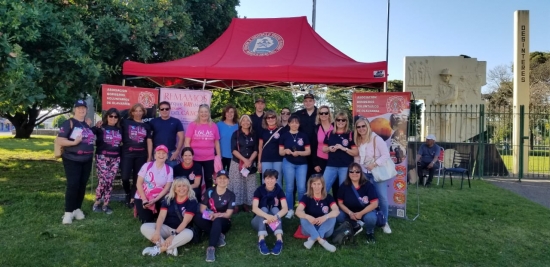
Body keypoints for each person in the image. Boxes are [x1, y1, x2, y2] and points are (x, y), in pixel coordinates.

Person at [57, 100, 96, 224]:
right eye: (79, 108)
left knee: (82, 185)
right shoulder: (68, 123)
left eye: (83, 108)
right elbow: (60, 140)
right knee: (73, 184)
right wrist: (74, 143)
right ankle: (68, 213)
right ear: (74, 109)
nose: (81, 110)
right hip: (72, 159)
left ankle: (77, 208)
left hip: (87, 159)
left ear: (86, 110)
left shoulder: (87, 124)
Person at [140, 178, 198, 257]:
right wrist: (157, 231)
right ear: (174, 189)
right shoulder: (168, 199)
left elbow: (185, 222)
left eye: (184, 186)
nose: (181, 188)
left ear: (188, 187)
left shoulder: (192, 201)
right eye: (179, 186)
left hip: (181, 230)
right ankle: (170, 248)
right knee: (144, 227)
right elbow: (161, 216)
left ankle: (159, 249)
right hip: (166, 227)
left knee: (189, 234)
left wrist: (173, 235)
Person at [354, 117, 392, 234]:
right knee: (365, 198)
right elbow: (358, 157)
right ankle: (365, 219)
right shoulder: (358, 140)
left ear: (368, 126)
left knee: (382, 198)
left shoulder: (376, 139)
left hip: (377, 173)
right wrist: (357, 170)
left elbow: (386, 155)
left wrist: (374, 164)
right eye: (358, 127)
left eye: (363, 126)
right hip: (364, 174)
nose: (361, 129)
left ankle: (384, 221)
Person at [193, 170, 235, 263]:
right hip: (210, 217)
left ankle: (211, 248)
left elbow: (228, 214)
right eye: (220, 178)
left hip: (223, 220)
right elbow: (202, 209)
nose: (222, 180)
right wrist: (209, 215)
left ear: (228, 180)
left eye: (225, 178)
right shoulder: (210, 191)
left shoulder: (231, 195)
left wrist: (216, 215)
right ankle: (218, 235)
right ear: (216, 180)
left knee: (218, 221)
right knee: (197, 217)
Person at [337, 163, 379, 244]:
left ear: (361, 173)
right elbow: (340, 203)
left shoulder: (368, 185)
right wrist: (350, 213)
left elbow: (375, 204)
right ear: (348, 173)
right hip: (350, 212)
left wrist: (360, 213)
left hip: (365, 212)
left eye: (357, 172)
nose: (354, 174)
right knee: (338, 214)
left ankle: (370, 233)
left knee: (371, 218)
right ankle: (353, 225)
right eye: (351, 172)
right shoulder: (344, 185)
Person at [295, 175, 339, 252]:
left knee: (332, 216)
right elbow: (297, 211)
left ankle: (313, 239)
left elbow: (336, 211)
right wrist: (308, 216)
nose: (316, 186)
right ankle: (322, 241)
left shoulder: (328, 197)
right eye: (314, 184)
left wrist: (325, 217)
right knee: (303, 217)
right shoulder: (306, 197)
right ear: (311, 185)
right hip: (309, 229)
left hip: (325, 229)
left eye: (319, 184)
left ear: (322, 185)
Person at [120, 103, 153, 208]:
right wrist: (100, 122)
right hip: (127, 154)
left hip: (141, 155)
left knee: (137, 178)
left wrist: (149, 156)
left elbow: (149, 141)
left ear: (143, 112)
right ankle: (127, 192)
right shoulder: (125, 122)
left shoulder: (147, 126)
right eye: (136, 110)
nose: (138, 113)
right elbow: (112, 123)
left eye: (140, 110)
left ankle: (133, 198)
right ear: (132, 112)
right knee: (125, 177)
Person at [90, 108, 122, 214]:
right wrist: (93, 125)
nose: (113, 118)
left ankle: (106, 205)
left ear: (118, 118)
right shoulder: (100, 127)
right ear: (107, 117)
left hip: (115, 158)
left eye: (115, 116)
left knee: (109, 181)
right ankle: (97, 203)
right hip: (102, 157)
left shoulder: (120, 129)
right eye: (111, 116)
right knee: (103, 180)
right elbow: (88, 132)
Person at [279, 114, 311, 219]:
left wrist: (299, 153)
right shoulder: (284, 136)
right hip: (288, 162)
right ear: (288, 123)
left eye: (296, 122)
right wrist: (286, 151)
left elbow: (308, 152)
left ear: (299, 124)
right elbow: (280, 152)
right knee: (289, 187)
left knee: (302, 188)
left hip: (302, 164)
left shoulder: (304, 135)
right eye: (292, 122)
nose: (294, 124)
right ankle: (290, 209)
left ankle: (300, 210)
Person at [250, 169, 288, 255]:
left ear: (276, 180)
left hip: (273, 224)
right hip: (259, 222)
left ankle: (279, 240)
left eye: (272, 178)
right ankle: (261, 240)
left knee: (276, 209)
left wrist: (275, 217)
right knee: (263, 209)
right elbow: (254, 208)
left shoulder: (279, 191)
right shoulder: (259, 190)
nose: (270, 181)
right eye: (267, 178)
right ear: (264, 179)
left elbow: (285, 208)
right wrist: (267, 216)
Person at [184, 104, 221, 190]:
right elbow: (187, 141)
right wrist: (189, 156)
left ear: (209, 113)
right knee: (196, 180)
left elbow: (216, 142)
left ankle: (208, 199)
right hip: (195, 158)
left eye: (205, 112)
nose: (203, 114)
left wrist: (219, 156)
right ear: (198, 113)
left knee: (209, 179)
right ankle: (196, 200)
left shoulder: (213, 126)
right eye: (201, 112)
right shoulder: (192, 125)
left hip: (209, 158)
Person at [135, 145, 174, 223]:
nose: (161, 155)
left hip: (159, 197)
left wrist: (155, 200)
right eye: (159, 153)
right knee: (147, 221)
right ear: (155, 155)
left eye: (164, 153)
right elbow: (138, 183)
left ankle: (157, 211)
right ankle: (142, 209)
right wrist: (144, 200)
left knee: (166, 218)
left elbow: (167, 188)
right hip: (143, 196)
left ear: (167, 156)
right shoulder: (147, 166)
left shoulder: (169, 169)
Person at [323, 112, 358, 195]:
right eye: (338, 120)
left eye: (343, 120)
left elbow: (355, 152)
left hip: (345, 167)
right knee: (323, 188)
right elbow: (324, 149)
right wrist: (329, 148)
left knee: (344, 190)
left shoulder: (350, 134)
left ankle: (342, 208)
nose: (340, 122)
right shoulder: (329, 133)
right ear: (335, 121)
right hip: (331, 166)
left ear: (346, 122)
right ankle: (320, 206)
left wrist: (343, 148)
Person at [228, 115, 258, 212]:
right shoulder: (235, 134)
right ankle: (236, 205)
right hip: (237, 162)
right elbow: (233, 150)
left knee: (250, 184)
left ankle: (248, 204)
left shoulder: (254, 134)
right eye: (243, 120)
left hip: (250, 163)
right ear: (240, 123)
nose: (245, 122)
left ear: (250, 123)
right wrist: (244, 160)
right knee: (237, 184)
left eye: (247, 120)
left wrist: (249, 161)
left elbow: (256, 149)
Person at [149, 101, 184, 167]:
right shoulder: (153, 122)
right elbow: (149, 140)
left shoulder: (176, 121)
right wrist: (150, 154)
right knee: (157, 175)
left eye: (166, 109)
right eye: (162, 109)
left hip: (171, 153)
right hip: (157, 153)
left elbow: (181, 137)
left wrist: (177, 151)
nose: (164, 110)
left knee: (171, 176)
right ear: (159, 110)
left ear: (170, 109)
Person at [258, 110, 285, 187]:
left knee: (278, 180)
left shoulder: (282, 130)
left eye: (272, 117)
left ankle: (278, 198)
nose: (270, 119)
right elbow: (260, 147)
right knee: (265, 180)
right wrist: (259, 162)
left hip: (278, 159)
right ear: (265, 120)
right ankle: (266, 198)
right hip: (265, 159)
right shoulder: (262, 131)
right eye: (268, 118)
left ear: (276, 118)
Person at [293, 93, 318, 179]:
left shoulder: (320, 113)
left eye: (310, 101)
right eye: (306, 101)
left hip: (317, 149)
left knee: (316, 176)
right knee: (302, 177)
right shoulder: (298, 114)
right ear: (303, 102)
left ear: (314, 102)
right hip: (301, 149)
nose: (308, 103)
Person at [216, 104, 239, 171]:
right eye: (227, 112)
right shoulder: (218, 125)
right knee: (221, 178)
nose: (229, 114)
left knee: (232, 179)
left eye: (232, 112)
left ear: (234, 114)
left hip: (234, 156)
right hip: (221, 156)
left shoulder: (238, 126)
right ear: (224, 114)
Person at [312, 106, 333, 176]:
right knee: (321, 184)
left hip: (334, 159)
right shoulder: (316, 128)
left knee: (336, 185)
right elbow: (313, 147)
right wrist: (315, 164)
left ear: (329, 114)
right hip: (320, 159)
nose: (323, 115)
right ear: (318, 115)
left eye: (326, 113)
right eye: (321, 113)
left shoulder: (335, 126)